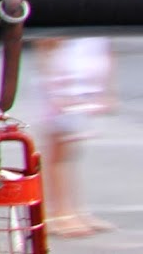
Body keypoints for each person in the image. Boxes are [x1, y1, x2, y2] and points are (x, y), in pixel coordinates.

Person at [36, 35, 116, 237]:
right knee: (58, 152)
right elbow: (46, 46)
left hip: (85, 83)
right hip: (67, 84)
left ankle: (74, 210)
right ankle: (58, 213)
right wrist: (56, 90)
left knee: (71, 152)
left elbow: (107, 48)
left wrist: (106, 90)